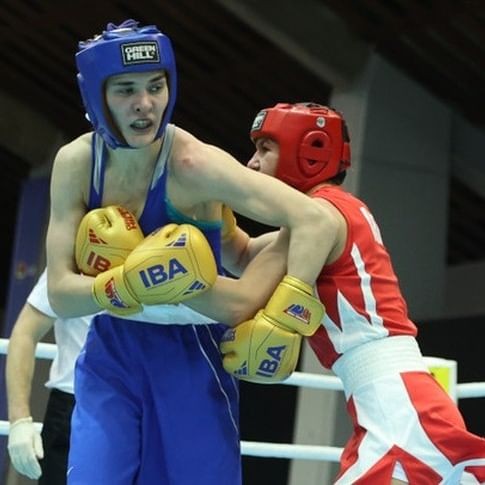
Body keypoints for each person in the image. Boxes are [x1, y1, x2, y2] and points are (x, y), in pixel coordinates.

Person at [45, 20, 327, 485]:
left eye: (156, 87)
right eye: (127, 90)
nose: (145, 103)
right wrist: (124, 284)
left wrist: (285, 303)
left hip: (193, 354)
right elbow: (59, 292)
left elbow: (317, 219)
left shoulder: (195, 164)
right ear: (96, 95)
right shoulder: (77, 163)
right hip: (113, 350)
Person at [220, 102, 485, 484]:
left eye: (265, 148)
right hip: (392, 401)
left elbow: (245, 290)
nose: (252, 163)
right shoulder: (319, 217)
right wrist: (210, 210)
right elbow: (245, 256)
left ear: (306, 151)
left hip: (398, 404)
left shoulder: (324, 216)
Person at [6, 269, 91, 484]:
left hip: (147, 406)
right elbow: (25, 332)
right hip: (73, 406)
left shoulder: (168, 259)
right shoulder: (77, 257)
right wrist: (19, 420)